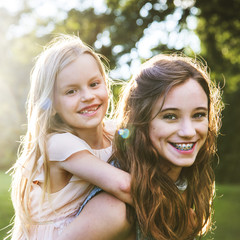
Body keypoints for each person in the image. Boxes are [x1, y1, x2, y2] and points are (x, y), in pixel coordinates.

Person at [57, 53, 223, 240]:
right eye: (170, 116)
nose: (188, 132)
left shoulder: (179, 187)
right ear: (140, 122)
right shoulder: (114, 211)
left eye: (198, 115)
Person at [8, 34, 132, 240]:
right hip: (54, 236)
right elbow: (124, 185)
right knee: (119, 209)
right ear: (53, 104)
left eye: (94, 84)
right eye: (71, 91)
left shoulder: (114, 132)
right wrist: (177, 208)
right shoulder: (58, 143)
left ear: (105, 84)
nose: (87, 96)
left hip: (88, 230)